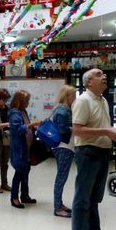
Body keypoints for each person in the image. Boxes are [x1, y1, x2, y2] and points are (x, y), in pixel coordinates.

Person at [71, 69, 116, 230]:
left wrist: (115, 131)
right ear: (88, 82)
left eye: (103, 74)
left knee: (95, 197)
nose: (103, 76)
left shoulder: (102, 100)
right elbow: (78, 131)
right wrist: (106, 131)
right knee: (82, 198)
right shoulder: (82, 101)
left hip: (103, 151)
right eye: (98, 74)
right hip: (88, 152)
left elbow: (101, 126)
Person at [8, 89, 42, 209]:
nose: (28, 102)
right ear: (21, 101)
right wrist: (32, 124)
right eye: (27, 100)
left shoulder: (23, 111)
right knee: (19, 173)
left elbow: (26, 127)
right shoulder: (14, 113)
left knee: (26, 172)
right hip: (19, 149)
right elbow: (18, 129)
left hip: (27, 148)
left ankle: (25, 195)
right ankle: (14, 198)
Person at [50, 85, 76, 218]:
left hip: (62, 146)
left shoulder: (60, 108)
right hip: (63, 147)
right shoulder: (62, 110)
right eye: (73, 95)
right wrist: (76, 128)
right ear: (67, 96)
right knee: (61, 177)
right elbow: (63, 130)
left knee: (61, 177)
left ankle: (59, 204)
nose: (75, 98)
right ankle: (57, 207)